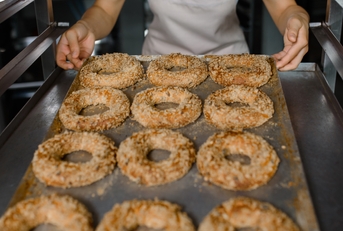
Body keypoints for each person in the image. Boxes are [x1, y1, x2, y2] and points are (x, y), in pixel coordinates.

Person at [56, 0, 309, 71]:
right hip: (156, 67)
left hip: (231, 67)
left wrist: (297, 19)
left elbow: (285, 7)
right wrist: (87, 26)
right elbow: (105, 9)